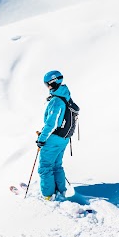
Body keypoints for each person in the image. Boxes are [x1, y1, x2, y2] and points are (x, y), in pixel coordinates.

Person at [36, 70, 72, 200]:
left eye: (48, 84)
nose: (48, 87)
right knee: (57, 165)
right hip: (64, 137)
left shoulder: (56, 101)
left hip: (54, 138)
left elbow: (51, 124)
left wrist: (41, 139)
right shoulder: (66, 95)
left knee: (45, 167)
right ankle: (60, 191)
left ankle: (48, 195)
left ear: (53, 82)